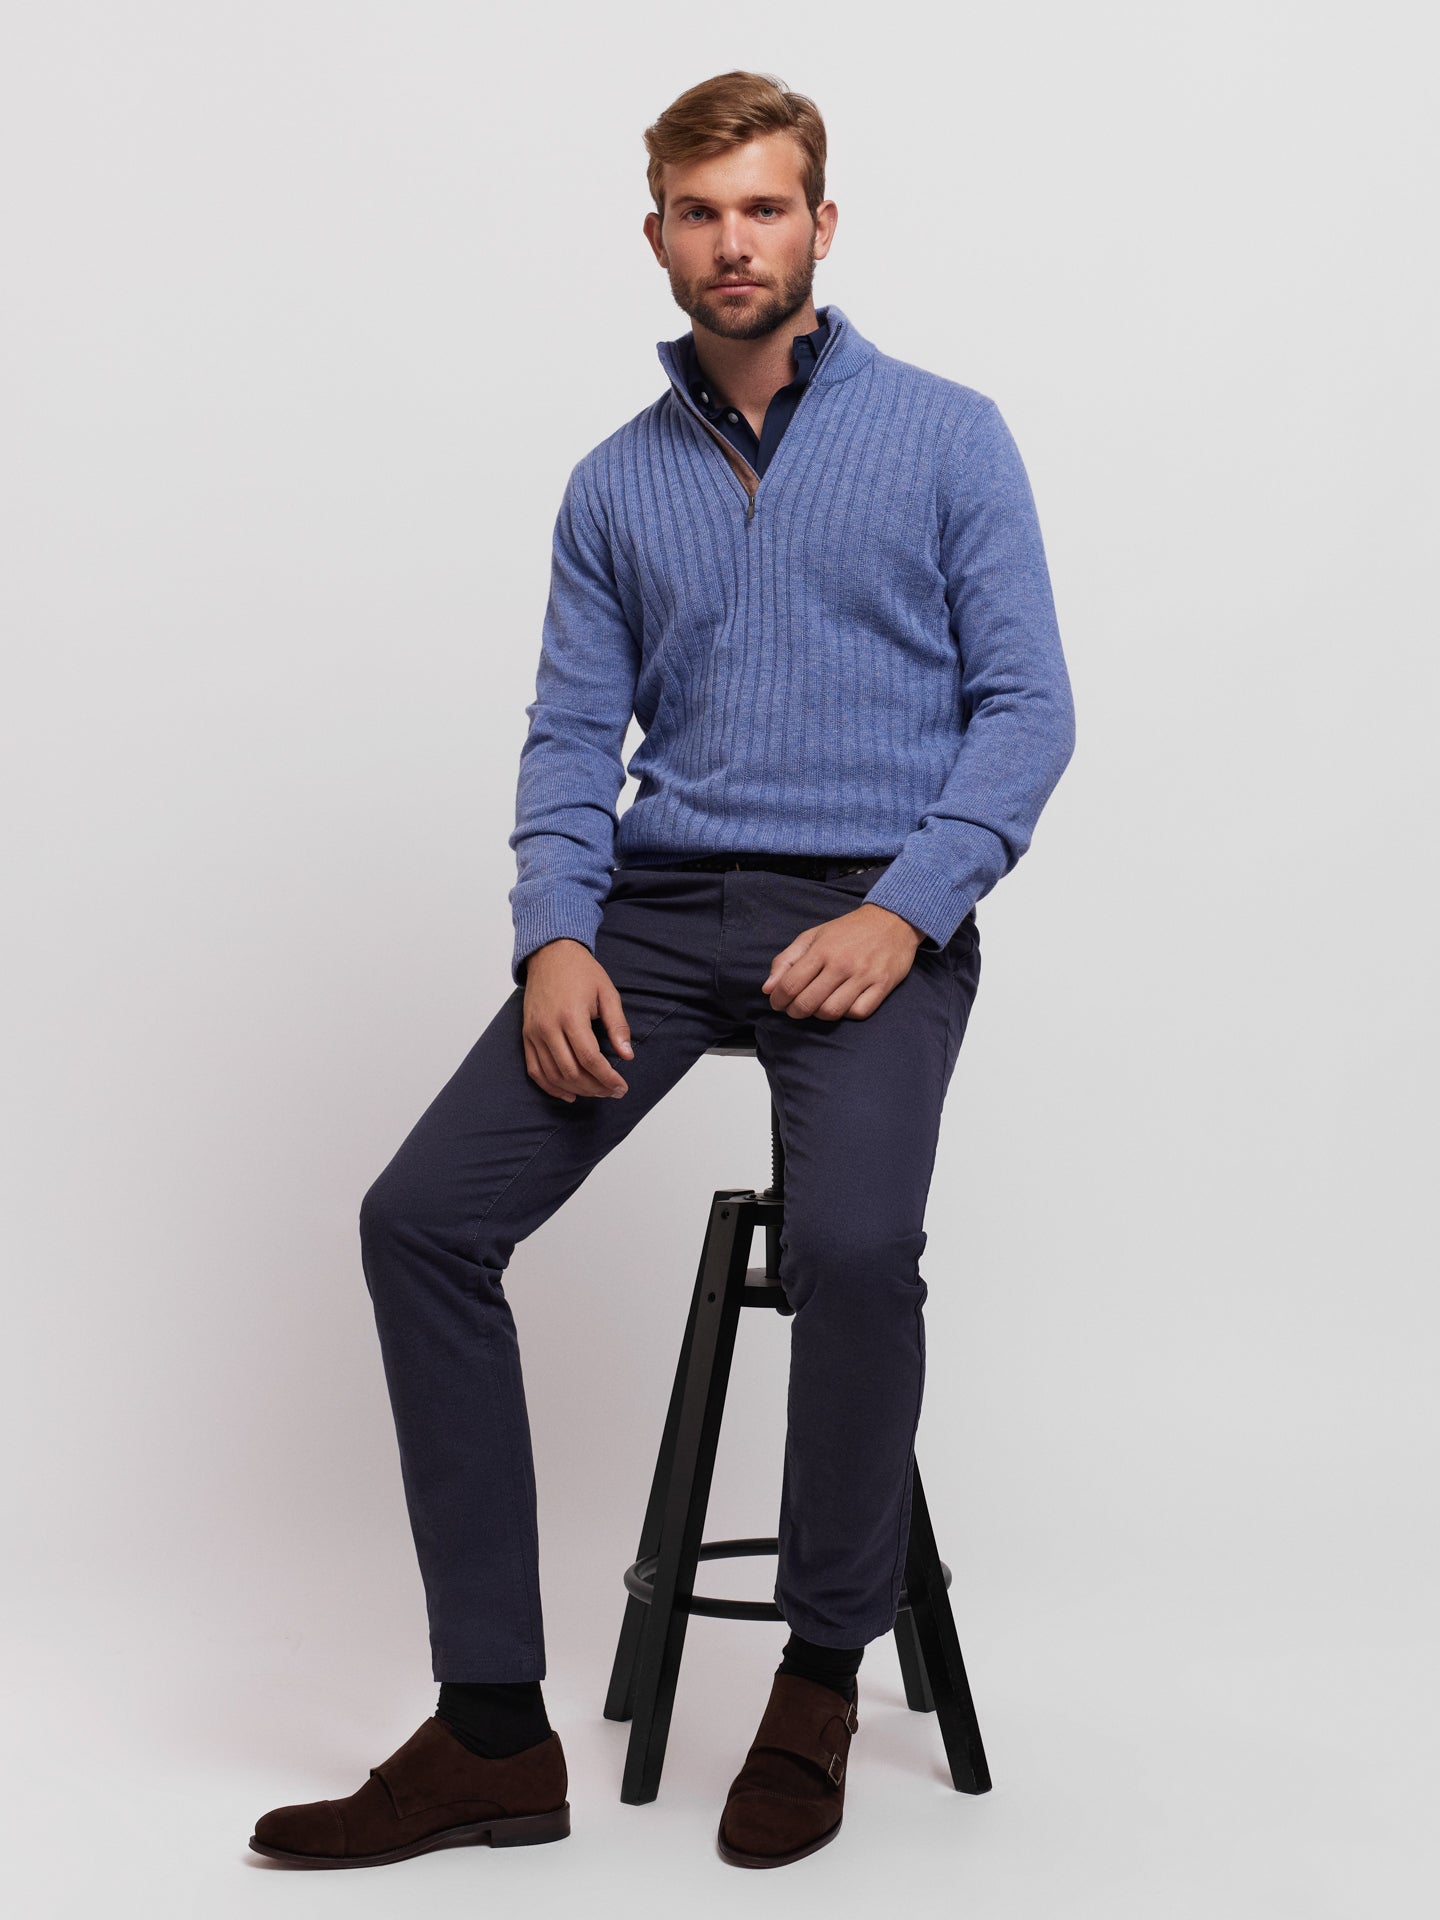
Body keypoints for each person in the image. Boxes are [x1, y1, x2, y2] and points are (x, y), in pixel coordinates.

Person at [249, 67, 1075, 1873]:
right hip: (659, 910)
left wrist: (907, 909)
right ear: (657, 237)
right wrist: (556, 930)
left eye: (765, 207)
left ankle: (819, 1679)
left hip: (872, 908)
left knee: (852, 1250)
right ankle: (489, 1734)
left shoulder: (948, 436)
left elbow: (1028, 711)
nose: (734, 242)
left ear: (821, 225)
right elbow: (569, 738)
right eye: (702, 213)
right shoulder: (614, 483)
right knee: (421, 1222)